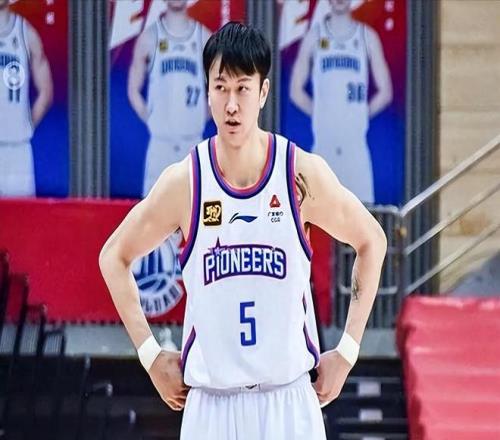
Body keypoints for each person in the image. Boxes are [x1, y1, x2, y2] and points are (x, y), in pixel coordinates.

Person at [100, 22, 387, 440]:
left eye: (242, 89)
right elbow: (114, 256)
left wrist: (347, 350)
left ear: (263, 92)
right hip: (211, 405)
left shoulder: (299, 174)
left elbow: (372, 240)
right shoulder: (186, 182)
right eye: (221, 88)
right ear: (207, 92)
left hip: (288, 401)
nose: (231, 104)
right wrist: (149, 354)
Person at [290, 0, 392, 203]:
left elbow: (386, 92)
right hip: (324, 149)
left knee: (360, 218)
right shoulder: (315, 36)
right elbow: (295, 91)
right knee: (320, 215)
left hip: (356, 151)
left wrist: (361, 114)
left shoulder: (367, 37)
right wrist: (321, 113)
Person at [128, 0, 211, 196]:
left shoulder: (204, 38)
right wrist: (151, 118)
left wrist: (201, 117)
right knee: (154, 211)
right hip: (161, 145)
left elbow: (221, 88)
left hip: (192, 143)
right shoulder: (149, 38)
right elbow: (133, 89)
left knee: (195, 209)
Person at [0, 0, 53, 196]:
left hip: (17, 149)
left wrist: (26, 125)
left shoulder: (26, 33)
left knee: (21, 213)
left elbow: (46, 92)